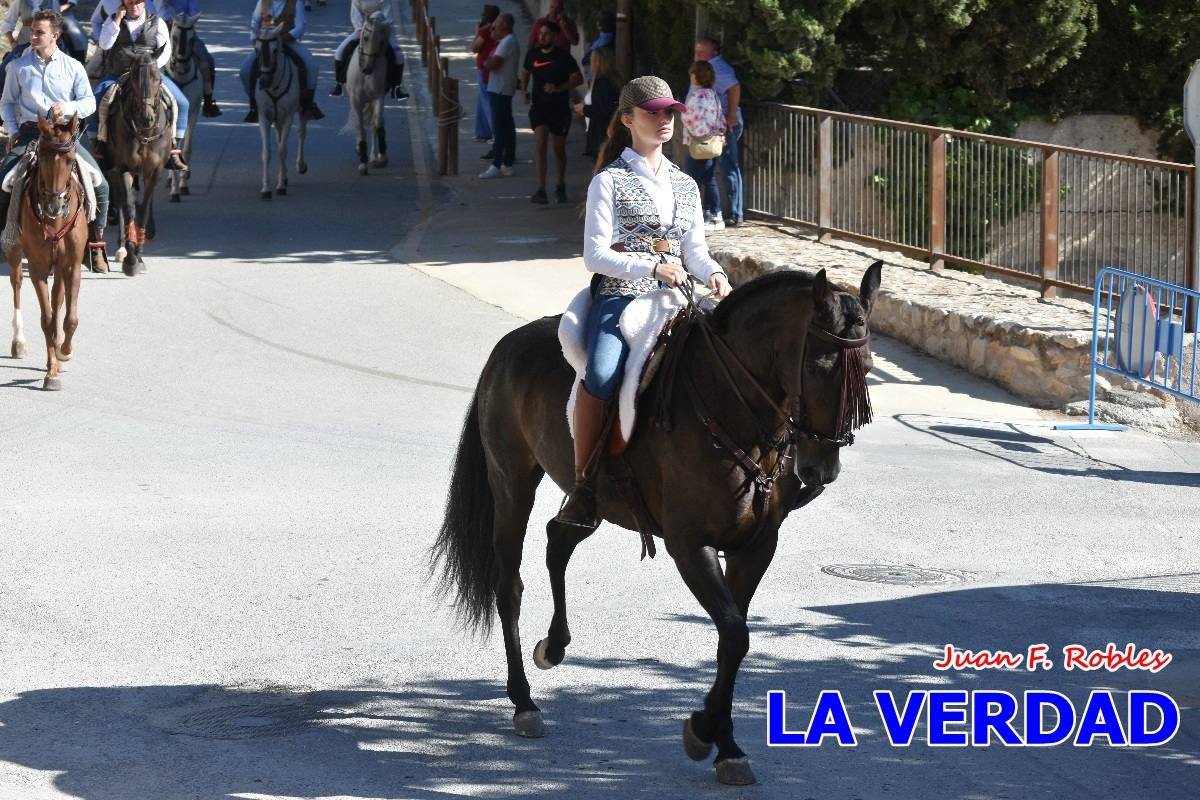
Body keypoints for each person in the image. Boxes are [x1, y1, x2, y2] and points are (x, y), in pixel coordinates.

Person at [555, 75, 732, 529]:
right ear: (628, 119)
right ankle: (584, 483)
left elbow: (695, 251)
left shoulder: (686, 185)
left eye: (669, 111)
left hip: (676, 297)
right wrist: (651, 268)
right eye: (653, 112)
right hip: (621, 294)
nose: (664, 119)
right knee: (601, 372)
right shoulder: (608, 181)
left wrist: (713, 273)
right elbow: (595, 256)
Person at [0, 10, 111, 271]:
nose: (33, 35)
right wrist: (14, 130)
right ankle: (8, 239)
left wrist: (70, 107)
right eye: (32, 31)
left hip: (64, 137)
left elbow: (89, 103)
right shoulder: (17, 67)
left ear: (55, 36)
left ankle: (95, 245)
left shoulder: (73, 67)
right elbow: (6, 102)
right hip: (30, 135)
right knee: (3, 181)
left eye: (39, 32)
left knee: (102, 185)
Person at [92, 0, 188, 171]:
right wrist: (117, 21)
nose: (134, 6)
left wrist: (151, 68)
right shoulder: (113, 20)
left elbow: (165, 50)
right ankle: (98, 148)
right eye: (130, 2)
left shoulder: (157, 22)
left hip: (149, 75)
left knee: (182, 103)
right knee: (96, 100)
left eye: (138, 2)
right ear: (123, 4)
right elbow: (104, 44)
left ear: (144, 3)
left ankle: (174, 148)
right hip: (118, 73)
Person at [521, 19, 580, 204]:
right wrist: (524, 91)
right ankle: (541, 189)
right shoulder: (533, 55)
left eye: (546, 34)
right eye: (540, 33)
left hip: (559, 109)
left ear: (554, 36)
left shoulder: (563, 57)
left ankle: (560, 185)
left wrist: (559, 88)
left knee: (558, 148)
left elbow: (577, 79)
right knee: (540, 145)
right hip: (539, 107)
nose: (542, 36)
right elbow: (525, 72)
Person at [239, 0, 324, 123]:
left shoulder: (296, 2)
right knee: (245, 71)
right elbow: (255, 21)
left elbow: (300, 25)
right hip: (266, 43)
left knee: (312, 66)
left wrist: (283, 38)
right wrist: (254, 39)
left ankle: (308, 104)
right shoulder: (263, 2)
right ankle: (254, 104)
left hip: (287, 41)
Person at [694, 37, 742, 227]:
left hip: (722, 125)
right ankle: (716, 211)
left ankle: (734, 213)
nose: (697, 54)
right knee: (710, 169)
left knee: (728, 166)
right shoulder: (706, 65)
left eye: (701, 51)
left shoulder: (717, 67)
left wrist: (730, 116)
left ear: (713, 51)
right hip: (712, 125)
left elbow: (734, 87)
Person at [328, 0, 408, 101]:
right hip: (363, 30)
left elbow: (387, 17)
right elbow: (355, 15)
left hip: (382, 30)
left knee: (398, 55)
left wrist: (379, 29)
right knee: (339, 52)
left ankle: (397, 88)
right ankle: (339, 84)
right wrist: (361, 28)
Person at [155, 0, 222, 116]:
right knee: (151, 59)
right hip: (164, 30)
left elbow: (194, 10)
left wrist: (187, 18)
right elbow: (158, 10)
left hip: (185, 29)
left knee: (208, 60)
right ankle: (150, 99)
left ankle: (208, 101)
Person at [681, 60, 724, 230]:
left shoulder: (698, 96)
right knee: (709, 178)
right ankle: (711, 214)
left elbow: (693, 119)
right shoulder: (712, 94)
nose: (690, 76)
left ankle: (711, 215)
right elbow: (718, 117)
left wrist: (693, 130)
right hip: (712, 142)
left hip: (700, 143)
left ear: (697, 75)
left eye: (692, 73)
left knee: (693, 180)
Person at [478, 12, 517, 179]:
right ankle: (507, 162)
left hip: (499, 89)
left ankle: (497, 163)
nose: (493, 27)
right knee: (507, 126)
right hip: (501, 88)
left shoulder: (507, 42)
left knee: (499, 128)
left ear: (505, 26)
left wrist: (486, 62)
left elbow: (492, 63)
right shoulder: (504, 41)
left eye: (497, 24)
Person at [575, 44, 617, 158]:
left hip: (602, 134)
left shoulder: (602, 83)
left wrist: (584, 109)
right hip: (604, 133)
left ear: (597, 62)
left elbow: (603, 110)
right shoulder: (612, 80)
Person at [470, 4, 499, 144]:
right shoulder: (498, 29)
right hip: (489, 68)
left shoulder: (486, 30)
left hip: (485, 68)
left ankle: (495, 133)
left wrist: (477, 32)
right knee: (481, 101)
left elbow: (474, 48)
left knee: (487, 101)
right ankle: (482, 131)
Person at [579, 9, 613, 82]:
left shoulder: (606, 39)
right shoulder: (603, 37)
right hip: (593, 77)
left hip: (599, 78)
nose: (597, 23)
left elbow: (593, 57)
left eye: (600, 21)